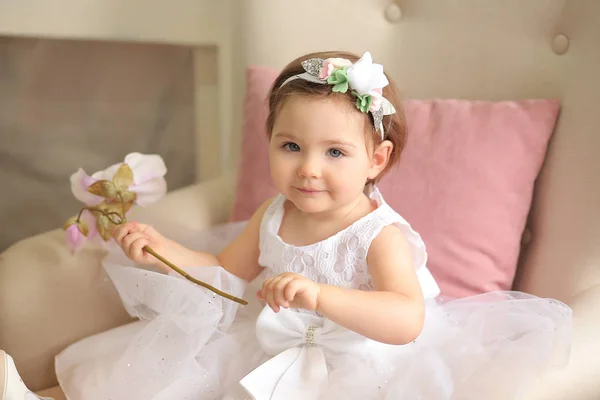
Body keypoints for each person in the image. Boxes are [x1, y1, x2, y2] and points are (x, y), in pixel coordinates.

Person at [1, 51, 572, 400]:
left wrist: (321, 296)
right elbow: (227, 270)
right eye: (291, 146)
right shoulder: (274, 214)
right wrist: (163, 250)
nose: (308, 169)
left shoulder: (378, 235)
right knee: (158, 378)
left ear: (377, 160)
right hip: (267, 344)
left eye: (335, 153)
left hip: (362, 365)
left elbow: (406, 319)